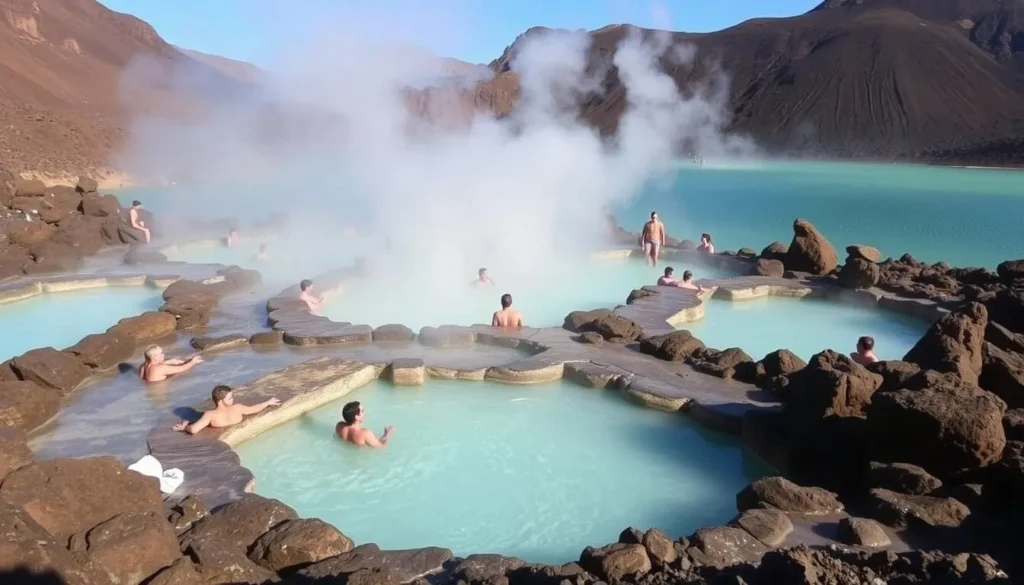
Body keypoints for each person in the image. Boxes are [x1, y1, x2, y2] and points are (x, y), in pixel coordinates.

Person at [172, 385, 281, 434]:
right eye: (230, 398)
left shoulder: (210, 415)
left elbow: (194, 430)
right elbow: (253, 409)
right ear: (220, 400)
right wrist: (268, 402)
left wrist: (184, 427)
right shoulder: (238, 408)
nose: (233, 399)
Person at [139, 344, 203, 383]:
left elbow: (154, 367)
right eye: (161, 353)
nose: (163, 355)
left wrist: (168, 362)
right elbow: (182, 368)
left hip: (151, 388)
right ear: (154, 357)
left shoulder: (143, 366)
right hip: (159, 392)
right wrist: (193, 362)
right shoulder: (161, 368)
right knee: (184, 372)